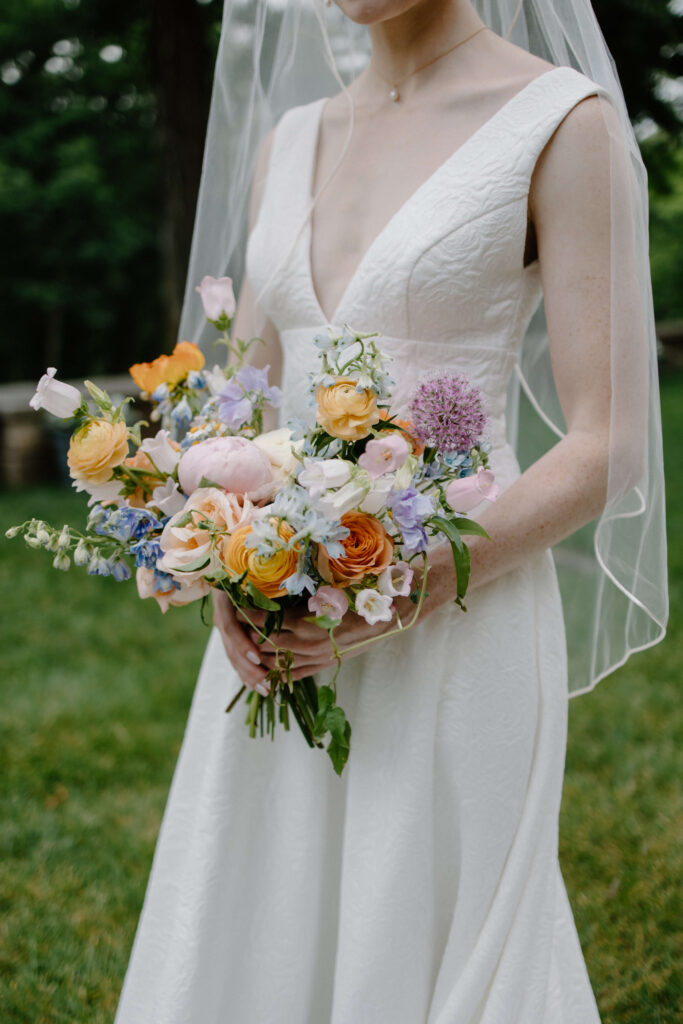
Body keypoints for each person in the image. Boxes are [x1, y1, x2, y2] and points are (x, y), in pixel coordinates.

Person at [115, 1, 668, 1021]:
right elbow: (247, 402)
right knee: (265, 906)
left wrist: (401, 586)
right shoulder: (288, 142)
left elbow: (606, 440)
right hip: (285, 616)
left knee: (433, 923)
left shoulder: (559, 122)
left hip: (464, 607)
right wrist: (226, 569)